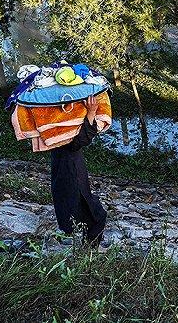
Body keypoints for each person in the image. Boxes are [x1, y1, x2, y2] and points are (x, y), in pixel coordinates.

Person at [50, 95, 107, 246]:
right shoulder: (63, 128)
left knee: (84, 216)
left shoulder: (53, 123)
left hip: (64, 174)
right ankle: (88, 252)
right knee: (97, 216)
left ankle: (84, 248)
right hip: (72, 177)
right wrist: (91, 112)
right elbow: (79, 142)